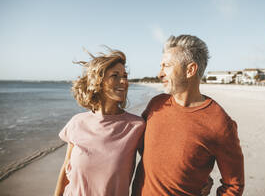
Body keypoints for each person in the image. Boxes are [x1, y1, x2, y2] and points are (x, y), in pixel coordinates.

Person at [132, 35, 244, 196]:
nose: (159, 74)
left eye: (167, 66)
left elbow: (234, 185)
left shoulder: (220, 123)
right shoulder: (156, 105)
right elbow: (142, 148)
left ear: (190, 70)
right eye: (161, 66)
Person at [54, 48, 145, 196]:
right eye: (115, 76)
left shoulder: (136, 126)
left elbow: (154, 170)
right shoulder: (77, 122)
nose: (123, 81)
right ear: (98, 81)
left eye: (124, 76)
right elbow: (65, 171)